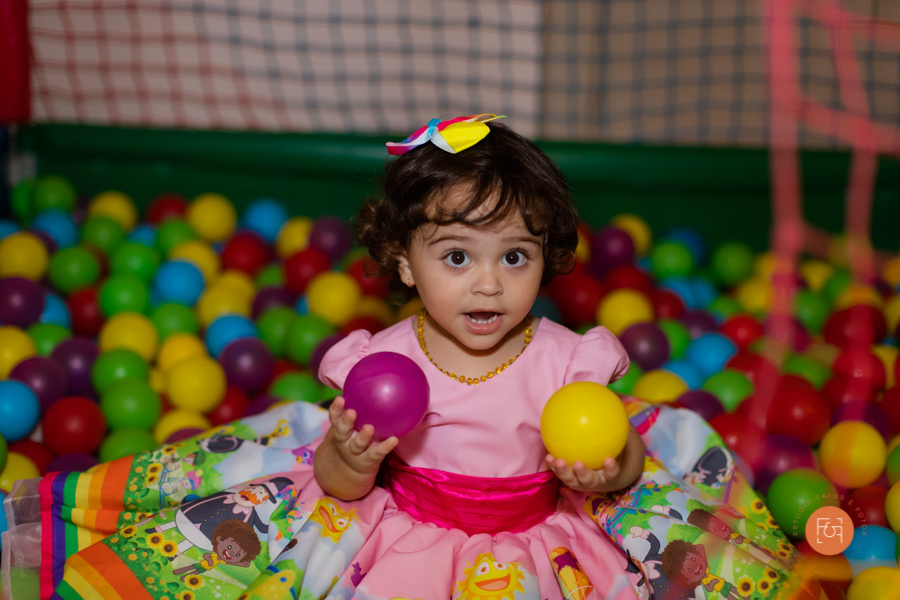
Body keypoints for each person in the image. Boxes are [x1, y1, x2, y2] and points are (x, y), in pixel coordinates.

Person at [2, 114, 801, 600]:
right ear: (406, 263)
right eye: (457, 258)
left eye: (514, 258)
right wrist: (351, 455)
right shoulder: (383, 360)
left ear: (545, 259)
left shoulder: (568, 358)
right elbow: (347, 487)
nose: (488, 283)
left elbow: (621, 461)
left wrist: (608, 473)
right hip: (408, 534)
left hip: (541, 538)